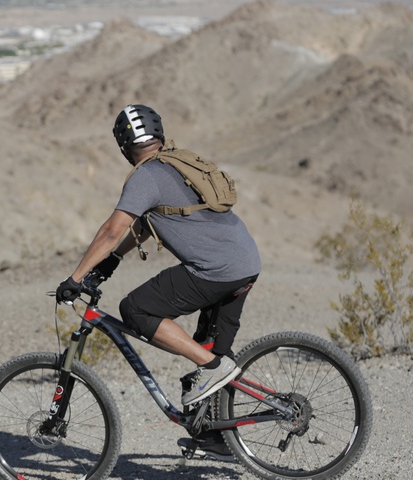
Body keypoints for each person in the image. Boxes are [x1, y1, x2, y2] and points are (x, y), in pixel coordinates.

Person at [56, 104, 261, 410]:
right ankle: (215, 434)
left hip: (215, 270)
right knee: (209, 348)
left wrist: (75, 278)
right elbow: (150, 221)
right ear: (159, 135)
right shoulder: (177, 162)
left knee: (136, 309)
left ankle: (215, 367)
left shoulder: (147, 176)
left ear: (124, 148)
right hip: (246, 263)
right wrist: (114, 259)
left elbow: (112, 231)